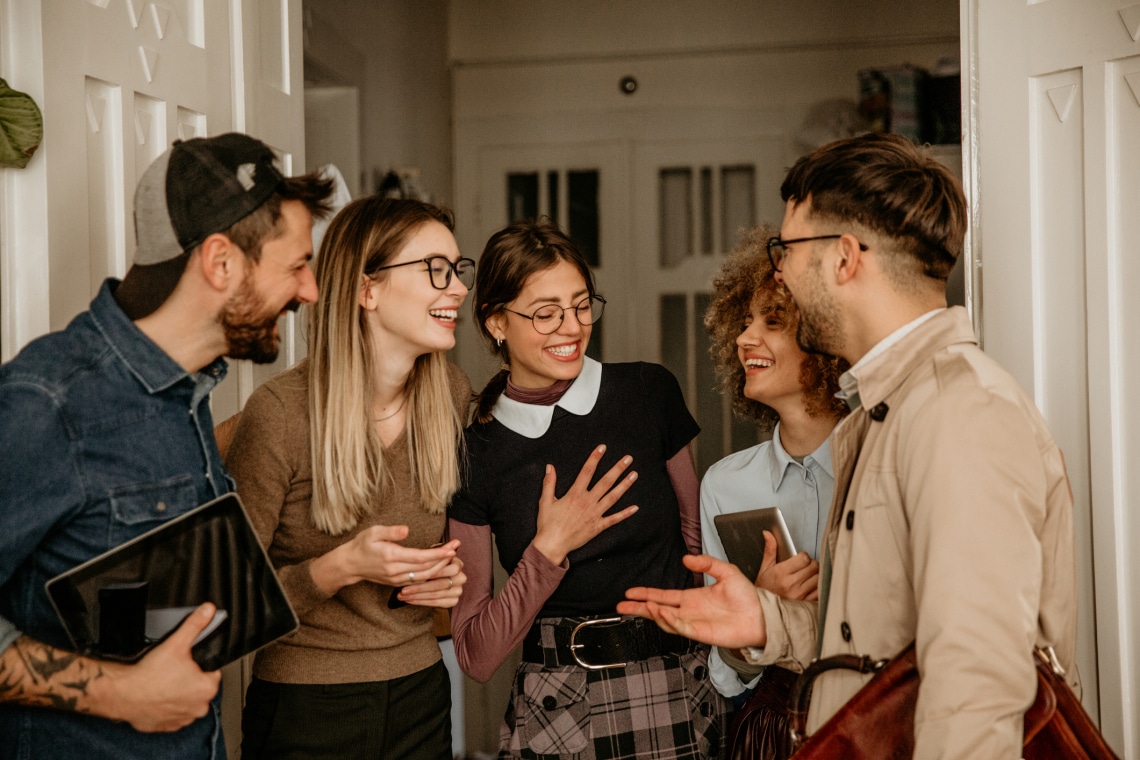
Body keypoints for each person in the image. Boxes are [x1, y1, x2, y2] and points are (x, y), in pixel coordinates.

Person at [620, 132, 1078, 760]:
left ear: (843, 258)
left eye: (787, 248)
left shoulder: (959, 414)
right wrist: (769, 622)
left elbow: (976, 692)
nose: (779, 270)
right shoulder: (882, 417)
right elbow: (886, 646)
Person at [0, 133, 334, 758]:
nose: (310, 291)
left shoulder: (191, 392)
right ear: (221, 262)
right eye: (296, 266)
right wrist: (118, 693)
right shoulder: (51, 402)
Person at [448, 219, 725, 759]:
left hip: (676, 686)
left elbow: (697, 545)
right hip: (558, 710)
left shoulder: (648, 392)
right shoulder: (475, 450)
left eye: (580, 306)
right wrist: (548, 550)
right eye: (546, 313)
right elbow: (477, 655)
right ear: (496, 322)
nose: (571, 327)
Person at [224, 196, 472, 760]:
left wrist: (447, 578)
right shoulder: (280, 415)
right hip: (304, 705)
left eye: (458, 270)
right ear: (368, 290)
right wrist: (338, 568)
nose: (457, 288)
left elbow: (456, 549)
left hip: (422, 692)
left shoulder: (452, 397)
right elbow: (228, 607)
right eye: (435, 269)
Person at [699, 224, 844, 704]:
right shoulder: (725, 486)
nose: (744, 338)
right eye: (744, 321)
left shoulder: (884, 464)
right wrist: (761, 611)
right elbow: (722, 677)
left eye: (773, 321)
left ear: (825, 332)